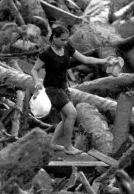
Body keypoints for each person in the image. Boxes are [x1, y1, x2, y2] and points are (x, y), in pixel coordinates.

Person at [31, 25, 114, 155]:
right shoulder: (46, 53)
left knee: (66, 118)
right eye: (62, 40)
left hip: (64, 87)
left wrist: (104, 60)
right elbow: (34, 69)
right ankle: (68, 146)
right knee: (72, 113)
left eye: (66, 40)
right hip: (52, 89)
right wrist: (37, 82)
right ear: (54, 38)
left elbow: (85, 59)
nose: (65, 42)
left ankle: (52, 144)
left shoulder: (67, 48)